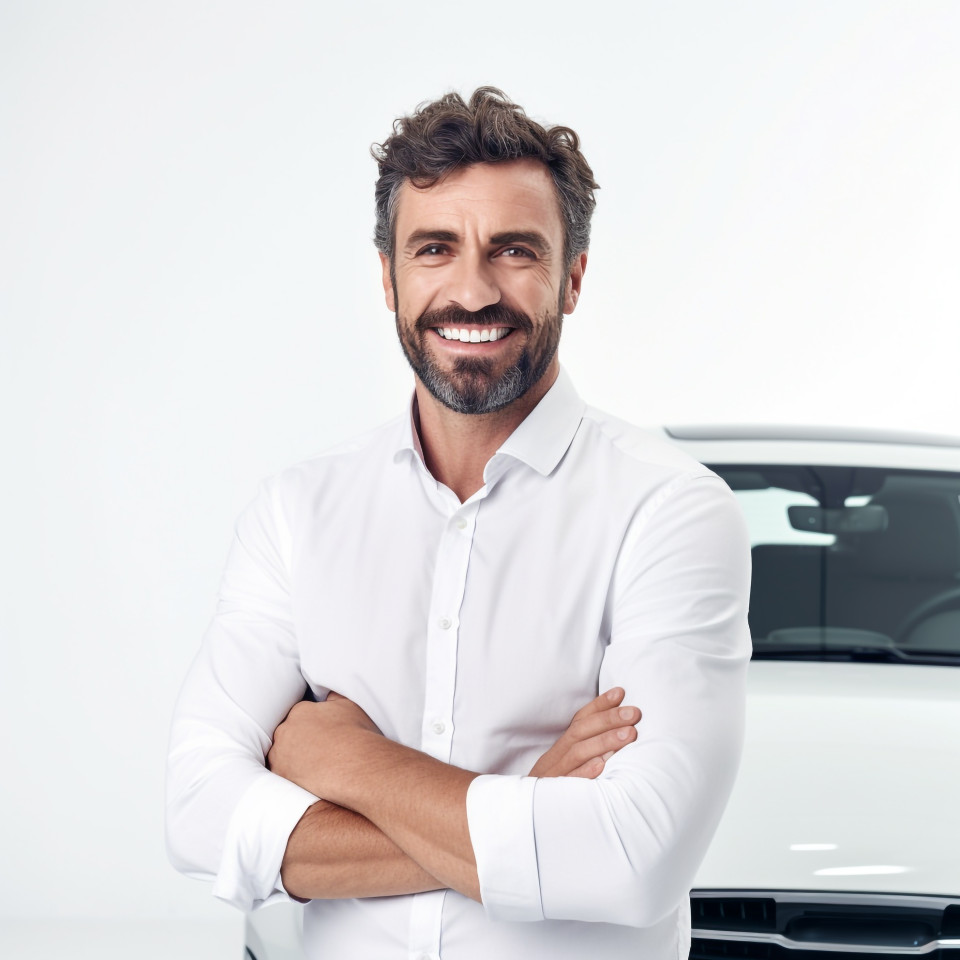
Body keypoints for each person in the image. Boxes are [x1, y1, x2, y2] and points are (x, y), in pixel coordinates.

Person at [166, 86, 752, 960]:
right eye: (434, 248)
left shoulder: (667, 509)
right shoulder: (297, 513)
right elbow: (197, 817)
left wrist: (351, 766)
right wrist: (529, 799)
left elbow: (631, 862)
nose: (471, 289)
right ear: (389, 277)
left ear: (574, 277)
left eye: (514, 250)